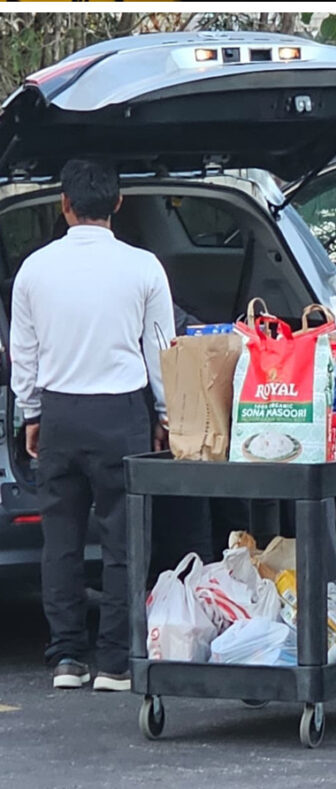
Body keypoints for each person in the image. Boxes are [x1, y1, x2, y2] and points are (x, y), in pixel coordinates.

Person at [10, 159, 175, 692]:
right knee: (124, 540)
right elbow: (160, 351)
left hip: (59, 412)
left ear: (64, 205)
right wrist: (165, 415)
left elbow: (24, 354)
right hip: (121, 412)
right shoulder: (145, 267)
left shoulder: (34, 269)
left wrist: (31, 413)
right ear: (119, 204)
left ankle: (66, 658)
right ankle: (116, 661)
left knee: (60, 538)